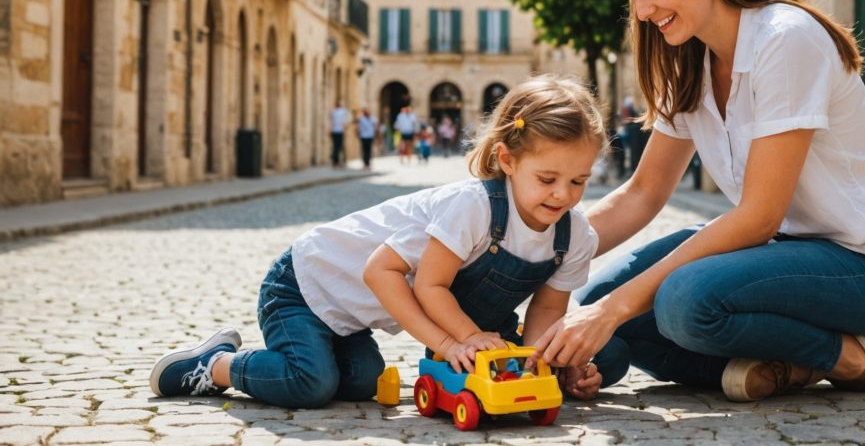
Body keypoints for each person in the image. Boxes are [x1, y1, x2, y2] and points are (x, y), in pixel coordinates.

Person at [530, 0, 865, 403]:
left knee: (680, 302)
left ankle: (843, 357)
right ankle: (775, 367)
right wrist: (535, 252)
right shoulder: (687, 60)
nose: (643, 10)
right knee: (588, 303)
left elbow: (760, 215)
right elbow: (643, 192)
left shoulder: (785, 40)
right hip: (777, 257)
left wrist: (618, 309)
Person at [148, 75, 607, 409]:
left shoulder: (575, 235)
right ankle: (218, 365)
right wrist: (457, 342)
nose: (563, 195)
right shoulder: (474, 209)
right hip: (304, 286)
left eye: (579, 181)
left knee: (361, 381)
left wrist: (538, 368)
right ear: (507, 160)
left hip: (352, 317)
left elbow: (546, 312)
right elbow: (390, 275)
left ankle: (303, 357)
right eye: (547, 178)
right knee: (311, 384)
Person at [328, 100, 350, 168]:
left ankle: (336, 160)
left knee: (336, 146)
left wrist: (330, 129)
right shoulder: (340, 111)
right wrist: (345, 125)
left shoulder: (335, 111)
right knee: (338, 146)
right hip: (338, 131)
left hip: (337, 130)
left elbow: (331, 121)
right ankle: (336, 160)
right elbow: (331, 121)